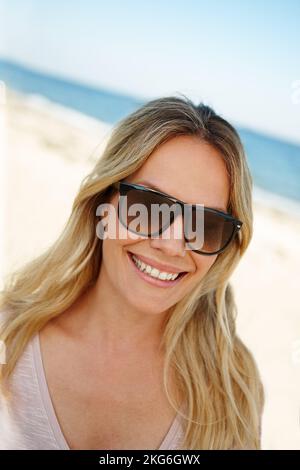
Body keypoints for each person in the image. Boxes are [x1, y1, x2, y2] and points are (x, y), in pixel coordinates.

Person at [0, 95, 264, 450]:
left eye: (206, 224)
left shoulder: (233, 391)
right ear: (102, 206)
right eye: (147, 206)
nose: (172, 245)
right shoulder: (8, 335)